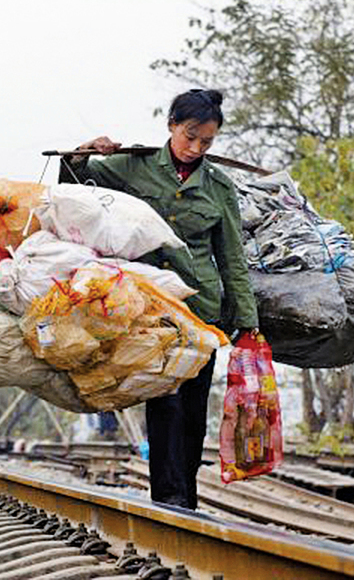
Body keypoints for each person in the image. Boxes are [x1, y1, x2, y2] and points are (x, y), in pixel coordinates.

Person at [59, 88, 259, 510]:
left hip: (201, 311)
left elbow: (232, 258)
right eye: (189, 136)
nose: (195, 148)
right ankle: (168, 500)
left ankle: (184, 496)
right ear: (171, 125)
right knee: (163, 404)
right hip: (149, 309)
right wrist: (83, 153)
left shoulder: (219, 188)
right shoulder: (135, 166)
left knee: (192, 411)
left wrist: (247, 321)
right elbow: (75, 189)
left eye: (206, 142)